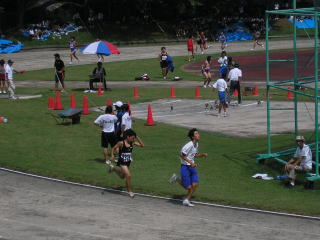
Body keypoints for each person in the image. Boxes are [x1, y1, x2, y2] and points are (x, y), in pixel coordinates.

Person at [169, 128, 208, 207]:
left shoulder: (196, 144)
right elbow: (182, 155)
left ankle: (186, 200)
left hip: (192, 167)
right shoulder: (189, 145)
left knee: (195, 185)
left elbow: (194, 155)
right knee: (189, 188)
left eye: (198, 133)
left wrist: (202, 154)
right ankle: (176, 178)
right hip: (185, 167)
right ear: (193, 137)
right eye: (196, 134)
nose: (198, 135)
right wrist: (191, 163)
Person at [109, 129, 144, 198]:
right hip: (122, 162)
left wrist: (137, 137)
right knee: (128, 175)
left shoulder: (132, 143)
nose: (133, 139)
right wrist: (112, 155)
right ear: (128, 137)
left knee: (122, 176)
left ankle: (113, 169)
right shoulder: (121, 143)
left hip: (128, 162)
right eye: (132, 137)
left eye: (134, 138)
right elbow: (114, 148)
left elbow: (142, 145)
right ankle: (130, 191)